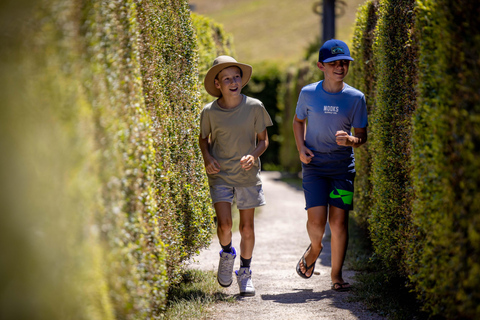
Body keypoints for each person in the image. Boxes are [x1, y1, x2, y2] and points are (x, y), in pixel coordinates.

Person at [293, 39, 368, 292]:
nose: (339, 67)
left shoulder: (356, 98)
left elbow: (362, 136)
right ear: (320, 66)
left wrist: (351, 140)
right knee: (316, 223)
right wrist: (301, 148)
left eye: (344, 62)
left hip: (342, 169)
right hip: (314, 166)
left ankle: (336, 276)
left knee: (338, 224)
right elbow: (297, 121)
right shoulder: (308, 93)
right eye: (333, 63)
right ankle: (315, 248)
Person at [199, 55, 273, 296]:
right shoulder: (209, 112)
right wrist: (208, 158)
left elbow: (263, 141)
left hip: (247, 176)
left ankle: (245, 273)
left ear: (242, 80)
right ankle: (227, 253)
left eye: (236, 77)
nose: (233, 82)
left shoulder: (254, 106)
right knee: (225, 225)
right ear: (218, 84)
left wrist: (253, 155)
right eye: (227, 78)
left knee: (248, 228)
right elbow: (204, 139)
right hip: (220, 174)